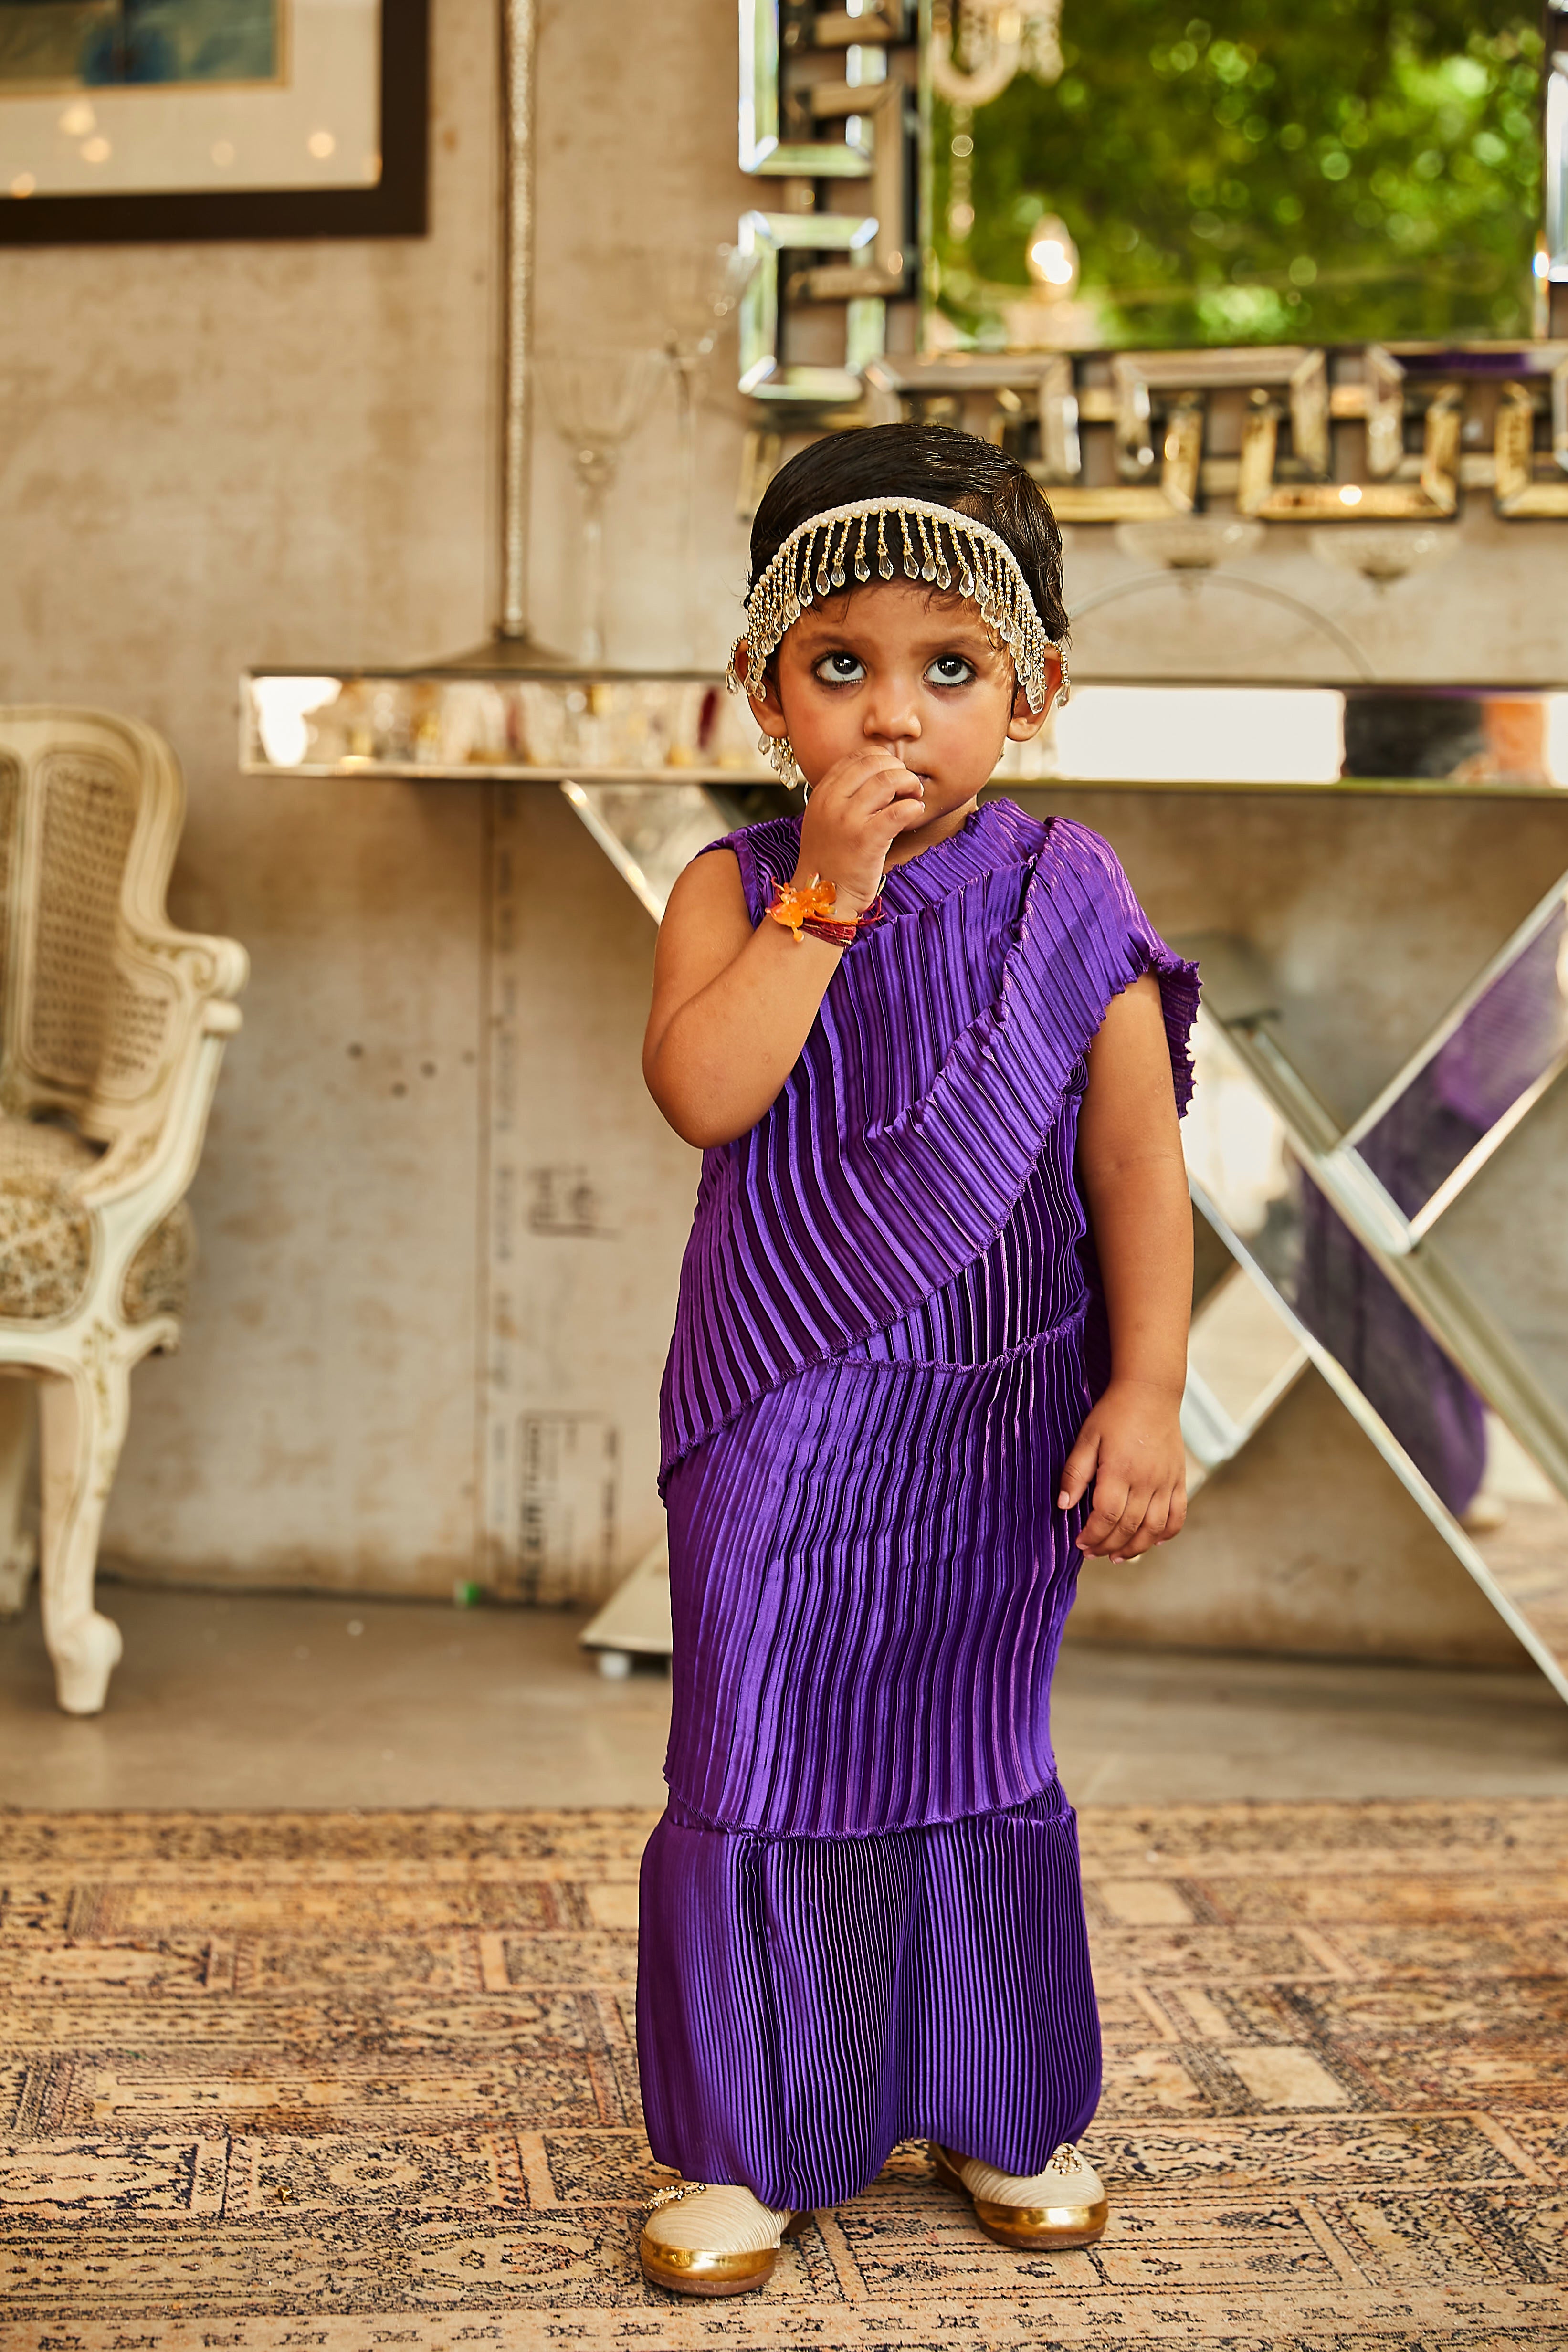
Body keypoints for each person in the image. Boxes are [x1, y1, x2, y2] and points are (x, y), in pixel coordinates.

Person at [635, 421, 1199, 2298]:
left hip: (997, 1422)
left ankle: (992, 2092)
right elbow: (708, 1089)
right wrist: (824, 896)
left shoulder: (1071, 897)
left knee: (975, 1748)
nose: (896, 717)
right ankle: (749, 2137)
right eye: (842, 667)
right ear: (762, 688)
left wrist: (1142, 1386)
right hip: (782, 1419)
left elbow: (1134, 1162)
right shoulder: (734, 892)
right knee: (766, 1739)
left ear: (1036, 692)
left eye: (950, 668)